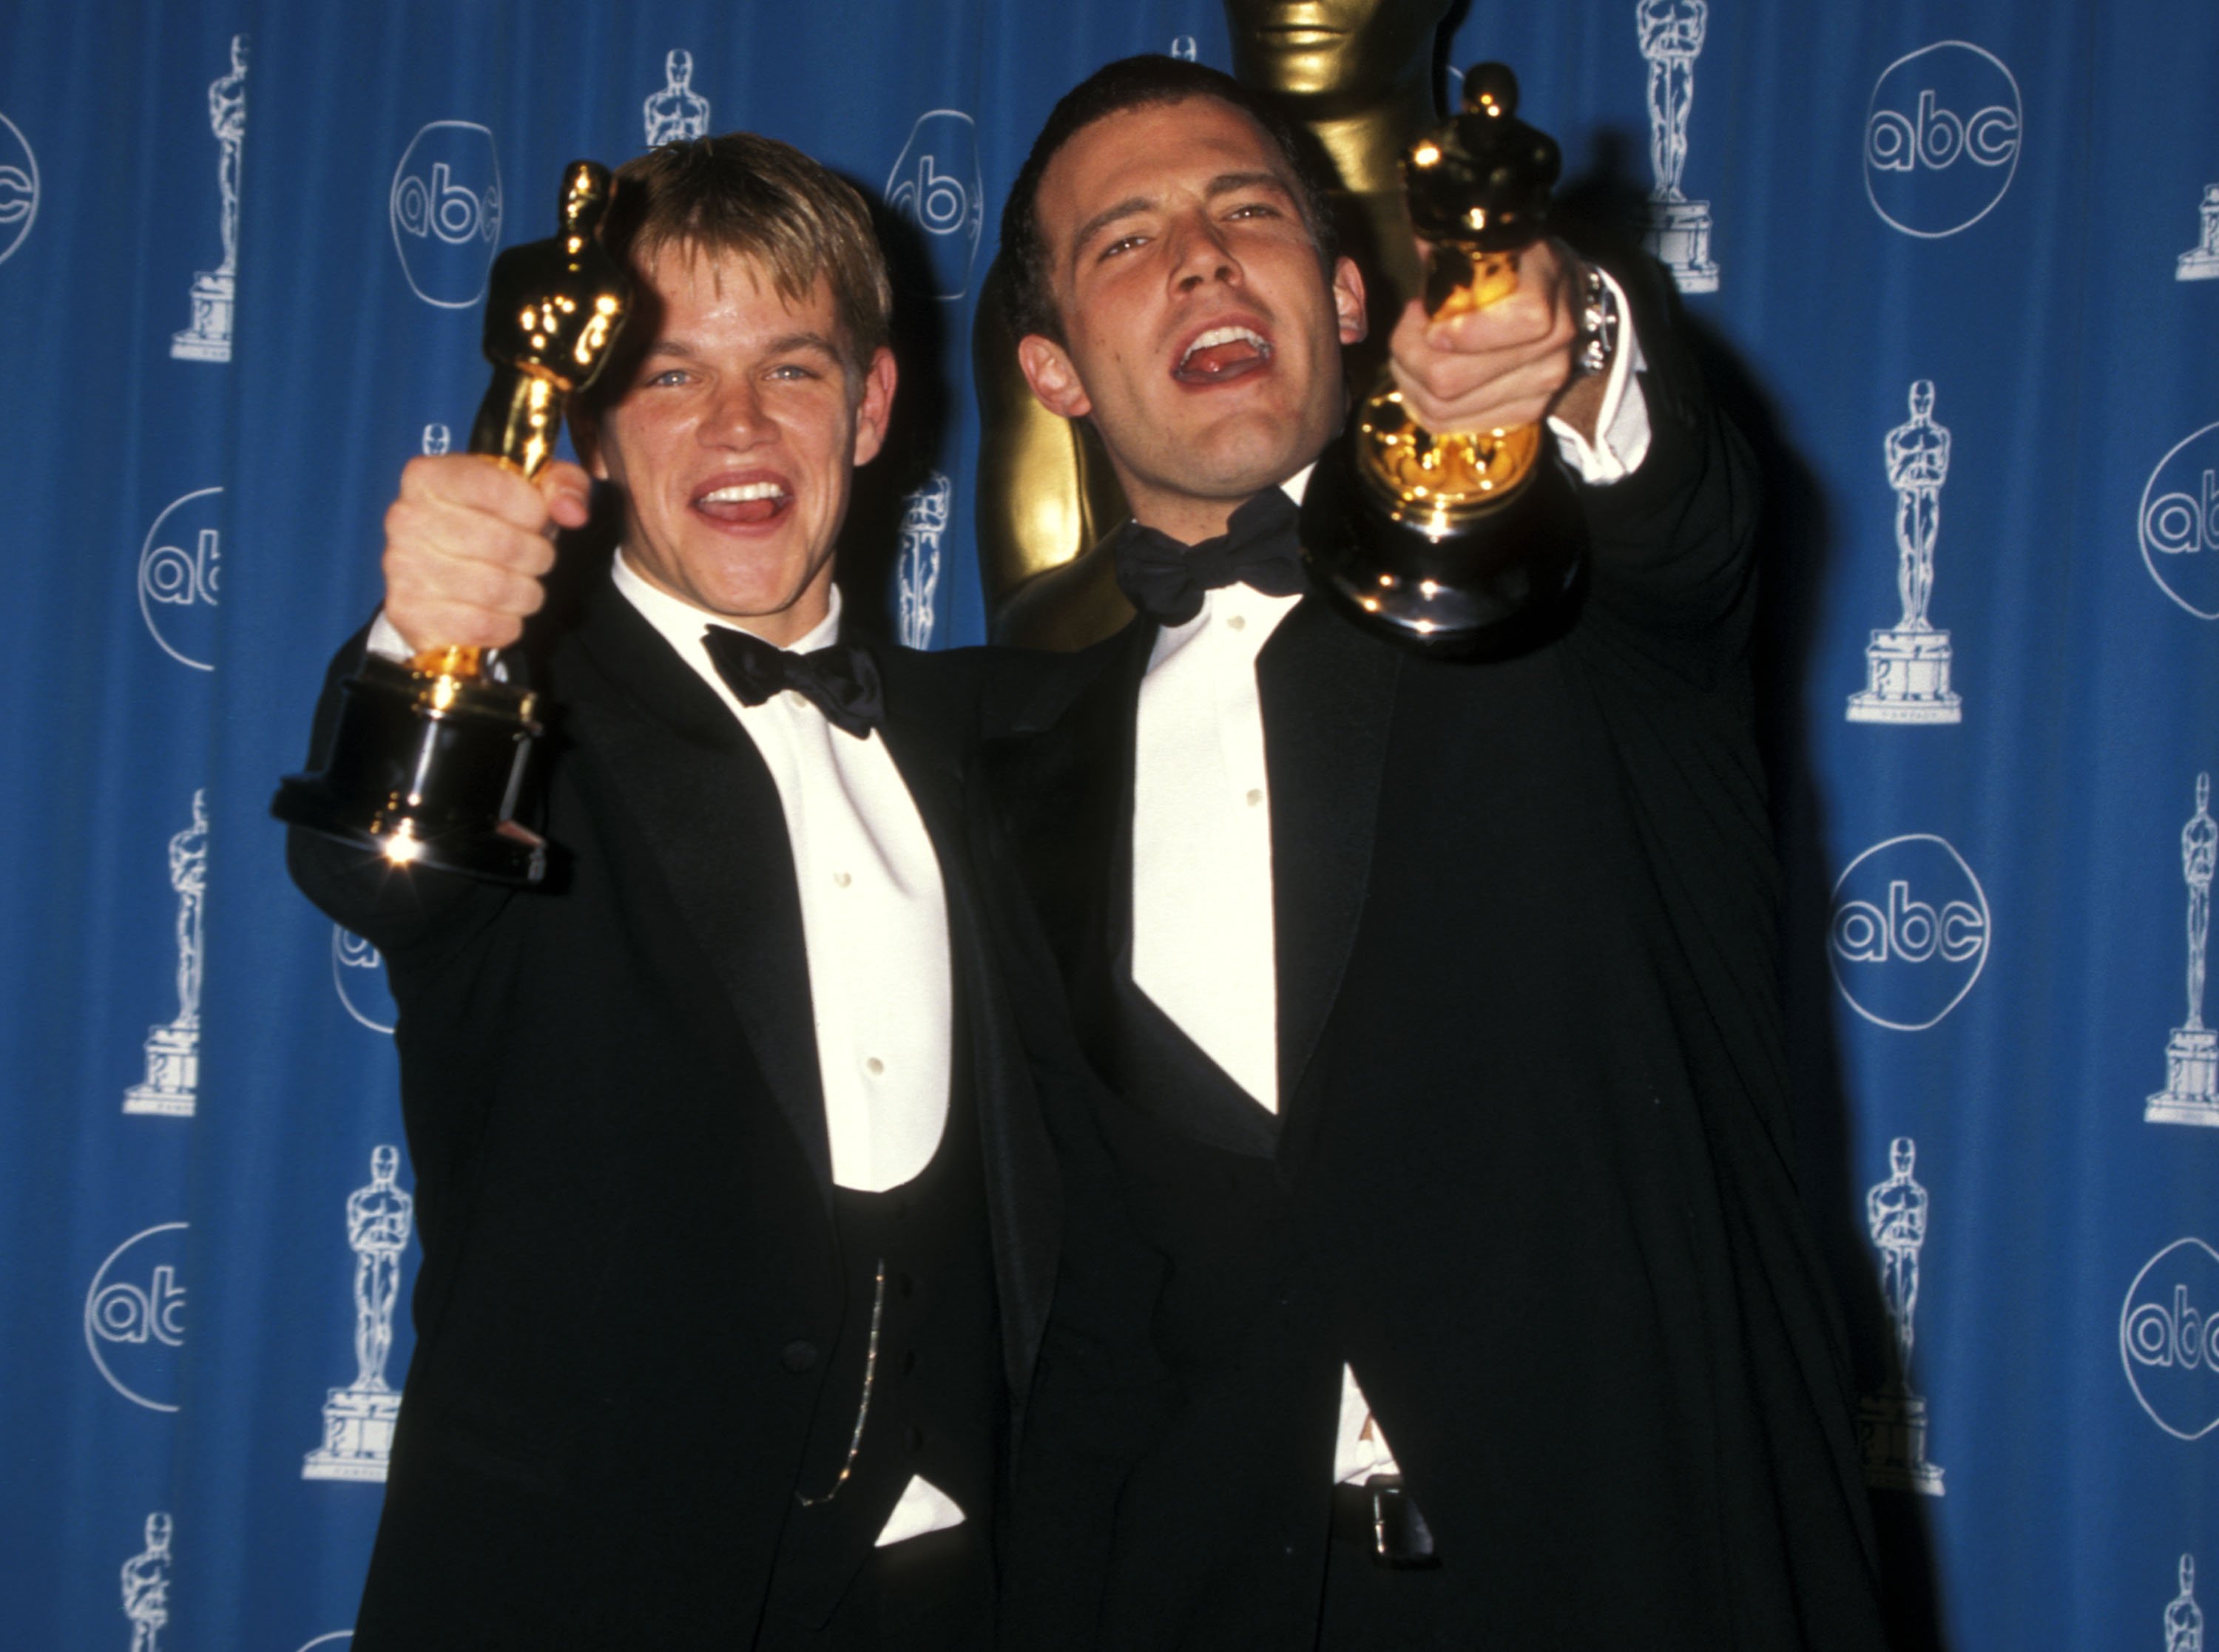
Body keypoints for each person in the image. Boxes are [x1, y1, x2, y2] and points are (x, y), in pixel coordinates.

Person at [983, 55, 1889, 1648]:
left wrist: (1567, 332)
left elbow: (1675, 511)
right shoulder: (1020, 759)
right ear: (1055, 368)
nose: (1200, 252)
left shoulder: (1557, 595)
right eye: (1125, 241)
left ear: (1346, 294)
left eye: (1246, 208)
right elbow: (1100, 1296)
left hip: (1630, 1571)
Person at [286, 131, 1072, 1651]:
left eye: (791, 366)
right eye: (667, 376)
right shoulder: (527, 711)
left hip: (944, 1595)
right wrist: (428, 643)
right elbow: (368, 870)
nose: (735, 426)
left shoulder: (992, 734)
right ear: (589, 420)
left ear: (874, 404)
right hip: (571, 1585)